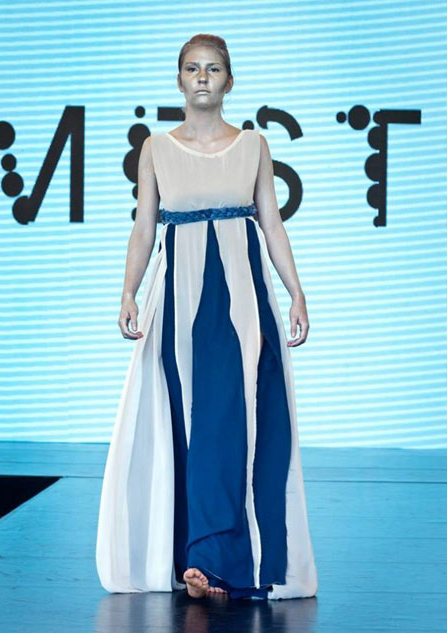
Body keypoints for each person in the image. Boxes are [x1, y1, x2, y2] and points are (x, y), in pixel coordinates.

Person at [95, 33, 318, 601]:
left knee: (229, 419)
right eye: (192, 68)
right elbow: (144, 227)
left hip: (241, 300)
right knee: (184, 420)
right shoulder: (155, 148)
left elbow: (272, 224)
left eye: (213, 69)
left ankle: (211, 560)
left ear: (229, 81)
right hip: (177, 301)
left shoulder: (254, 145)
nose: (202, 77)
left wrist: (296, 293)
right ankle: (194, 556)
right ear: (178, 79)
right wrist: (127, 292)